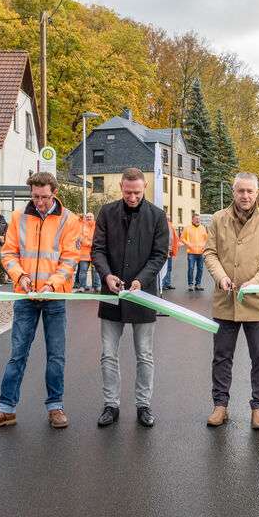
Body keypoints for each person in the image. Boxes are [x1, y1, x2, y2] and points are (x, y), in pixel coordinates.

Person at [0, 172, 81, 431]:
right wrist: (19, 276)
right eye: (35, 196)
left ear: (54, 193)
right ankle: (6, 410)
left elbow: (70, 260)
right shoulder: (17, 217)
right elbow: (9, 252)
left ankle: (55, 406)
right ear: (30, 194)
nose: (40, 202)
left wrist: (51, 284)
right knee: (17, 355)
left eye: (45, 197)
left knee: (56, 356)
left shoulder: (69, 220)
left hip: (54, 297)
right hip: (25, 296)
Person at [91, 167, 169, 428]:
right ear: (121, 188)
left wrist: (141, 281)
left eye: (136, 193)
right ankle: (110, 405)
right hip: (112, 293)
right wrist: (106, 275)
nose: (132, 198)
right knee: (108, 354)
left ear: (145, 187)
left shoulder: (158, 216)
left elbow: (159, 255)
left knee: (144, 354)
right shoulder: (106, 212)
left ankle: (143, 405)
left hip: (142, 294)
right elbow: (98, 249)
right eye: (127, 193)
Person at [203, 172, 259, 430]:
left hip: (256, 301)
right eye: (240, 191)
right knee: (221, 356)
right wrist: (221, 277)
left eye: (250, 191)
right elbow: (210, 253)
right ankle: (220, 406)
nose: (245, 196)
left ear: (257, 193)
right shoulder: (218, 219)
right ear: (233, 192)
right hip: (225, 299)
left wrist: (257, 281)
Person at [75, 212, 100, 293]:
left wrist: (95, 244)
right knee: (83, 271)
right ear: (85, 218)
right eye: (87, 217)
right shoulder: (81, 226)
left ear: (93, 218)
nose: (89, 218)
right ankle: (82, 287)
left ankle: (97, 287)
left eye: (90, 216)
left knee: (96, 270)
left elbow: (100, 236)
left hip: (95, 252)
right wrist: (89, 243)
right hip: (84, 254)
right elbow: (79, 237)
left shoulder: (97, 225)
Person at [182, 213, 207, 290]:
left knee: (200, 269)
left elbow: (206, 239)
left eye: (199, 219)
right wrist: (188, 244)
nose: (198, 220)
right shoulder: (187, 228)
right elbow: (182, 238)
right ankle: (190, 284)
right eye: (196, 219)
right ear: (192, 219)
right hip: (191, 253)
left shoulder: (203, 228)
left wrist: (204, 245)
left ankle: (198, 284)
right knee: (191, 268)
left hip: (200, 253)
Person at [161, 219, 179, 290]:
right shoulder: (162, 226)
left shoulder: (171, 226)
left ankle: (167, 283)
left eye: (169, 218)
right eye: (167, 218)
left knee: (169, 268)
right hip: (165, 250)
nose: (168, 219)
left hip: (170, 250)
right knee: (164, 268)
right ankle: (162, 284)